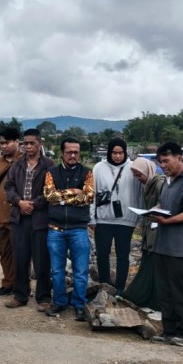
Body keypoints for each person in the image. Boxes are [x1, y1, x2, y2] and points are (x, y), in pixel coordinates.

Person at [147, 142, 183, 347]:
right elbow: (166, 205)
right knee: (164, 291)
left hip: (181, 248)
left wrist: (166, 220)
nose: (164, 165)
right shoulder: (168, 183)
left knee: (180, 291)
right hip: (163, 245)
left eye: (167, 161)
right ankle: (169, 330)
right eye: (161, 162)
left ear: (179, 158)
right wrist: (156, 209)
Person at [3, 129, 56, 310]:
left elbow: (50, 191)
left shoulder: (49, 165)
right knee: (20, 258)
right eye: (25, 143)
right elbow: (8, 187)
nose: (28, 146)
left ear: (40, 143)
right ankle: (20, 295)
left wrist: (33, 204)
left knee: (42, 259)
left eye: (32, 143)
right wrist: (19, 202)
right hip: (19, 218)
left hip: (40, 219)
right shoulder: (17, 165)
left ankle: (43, 298)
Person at [44, 137, 95, 321]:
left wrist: (62, 197)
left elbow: (89, 197)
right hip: (55, 229)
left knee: (80, 271)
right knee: (57, 271)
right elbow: (49, 196)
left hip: (79, 229)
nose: (73, 155)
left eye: (76, 152)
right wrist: (75, 192)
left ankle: (79, 306)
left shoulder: (87, 172)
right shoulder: (51, 172)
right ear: (62, 153)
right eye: (69, 152)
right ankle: (59, 302)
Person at [91, 138, 140, 293]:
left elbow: (140, 193)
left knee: (123, 254)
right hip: (103, 219)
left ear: (125, 153)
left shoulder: (133, 168)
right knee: (102, 253)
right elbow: (92, 193)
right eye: (114, 153)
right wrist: (92, 217)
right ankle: (104, 284)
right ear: (109, 152)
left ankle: (119, 287)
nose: (118, 156)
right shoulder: (99, 168)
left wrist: (140, 217)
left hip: (126, 219)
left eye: (121, 153)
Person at [121, 157, 165, 310]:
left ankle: (154, 300)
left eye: (140, 175)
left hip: (158, 231)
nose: (137, 179)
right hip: (150, 229)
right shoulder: (148, 185)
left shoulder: (159, 184)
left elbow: (166, 204)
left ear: (148, 171)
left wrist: (155, 211)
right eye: (135, 175)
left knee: (154, 265)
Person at [0, 128, 22, 297]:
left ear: (17, 142)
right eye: (1, 143)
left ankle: (21, 285)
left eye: (7, 142)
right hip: (0, 213)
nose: (4, 146)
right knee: (4, 251)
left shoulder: (25, 161)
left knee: (20, 252)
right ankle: (8, 283)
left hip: (18, 215)